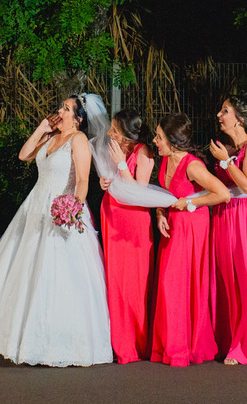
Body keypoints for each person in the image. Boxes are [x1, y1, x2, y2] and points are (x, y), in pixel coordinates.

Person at [0, 96, 113, 366]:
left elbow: (82, 181)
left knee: (56, 275)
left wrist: (73, 207)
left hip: (61, 209)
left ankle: (60, 343)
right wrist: (42, 127)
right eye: (61, 107)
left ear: (78, 119)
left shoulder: (78, 140)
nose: (60, 111)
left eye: (66, 109)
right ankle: (28, 340)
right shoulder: (50, 137)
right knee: (27, 273)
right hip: (35, 208)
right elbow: (24, 155)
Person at [151, 113, 231, 367]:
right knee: (168, 284)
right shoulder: (164, 160)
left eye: (159, 137)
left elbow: (223, 194)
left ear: (173, 141)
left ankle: (186, 345)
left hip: (192, 227)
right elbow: (165, 194)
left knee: (181, 284)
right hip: (172, 226)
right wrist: (160, 212)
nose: (155, 141)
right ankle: (171, 341)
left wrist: (190, 202)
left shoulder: (192, 165)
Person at [208, 92, 247, 365]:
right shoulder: (225, 146)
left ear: (240, 119)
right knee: (226, 278)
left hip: (246, 215)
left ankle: (245, 346)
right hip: (223, 213)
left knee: (245, 278)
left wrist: (225, 161)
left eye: (225, 111)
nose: (219, 116)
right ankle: (227, 338)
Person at [99, 109, 155, 364]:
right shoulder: (118, 149)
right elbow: (120, 181)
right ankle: (116, 340)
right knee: (115, 282)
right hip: (113, 218)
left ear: (127, 134)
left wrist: (121, 165)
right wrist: (106, 181)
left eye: (115, 130)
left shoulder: (142, 152)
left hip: (132, 224)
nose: (110, 133)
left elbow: (139, 192)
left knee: (132, 284)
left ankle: (133, 344)